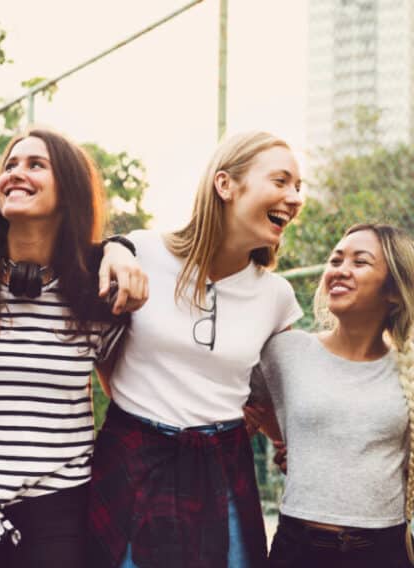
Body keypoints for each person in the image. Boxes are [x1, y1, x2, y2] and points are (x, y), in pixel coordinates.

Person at [89, 131, 306, 568]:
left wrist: (286, 443)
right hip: (131, 454)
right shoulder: (141, 252)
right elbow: (101, 353)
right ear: (225, 185)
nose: (295, 197)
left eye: (298, 187)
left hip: (222, 466)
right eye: (281, 181)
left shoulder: (278, 297)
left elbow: (272, 393)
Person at [0, 128, 134, 568]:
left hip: (57, 508)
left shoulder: (100, 294)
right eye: (11, 166)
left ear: (70, 190)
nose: (18, 172)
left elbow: (123, 391)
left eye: (36, 165)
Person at [249, 223, 414, 568]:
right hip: (297, 549)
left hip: (384, 551)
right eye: (336, 260)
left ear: (394, 292)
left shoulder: (408, 368)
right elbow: (244, 405)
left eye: (360, 262)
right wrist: (289, 443)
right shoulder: (285, 352)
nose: (340, 270)